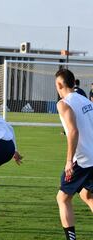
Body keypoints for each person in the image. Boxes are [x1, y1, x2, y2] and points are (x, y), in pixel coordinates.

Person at [54, 69, 93, 240]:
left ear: (59, 84)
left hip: (82, 160)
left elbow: (73, 131)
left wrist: (69, 160)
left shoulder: (63, 103)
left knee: (62, 198)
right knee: (87, 195)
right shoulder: (86, 100)